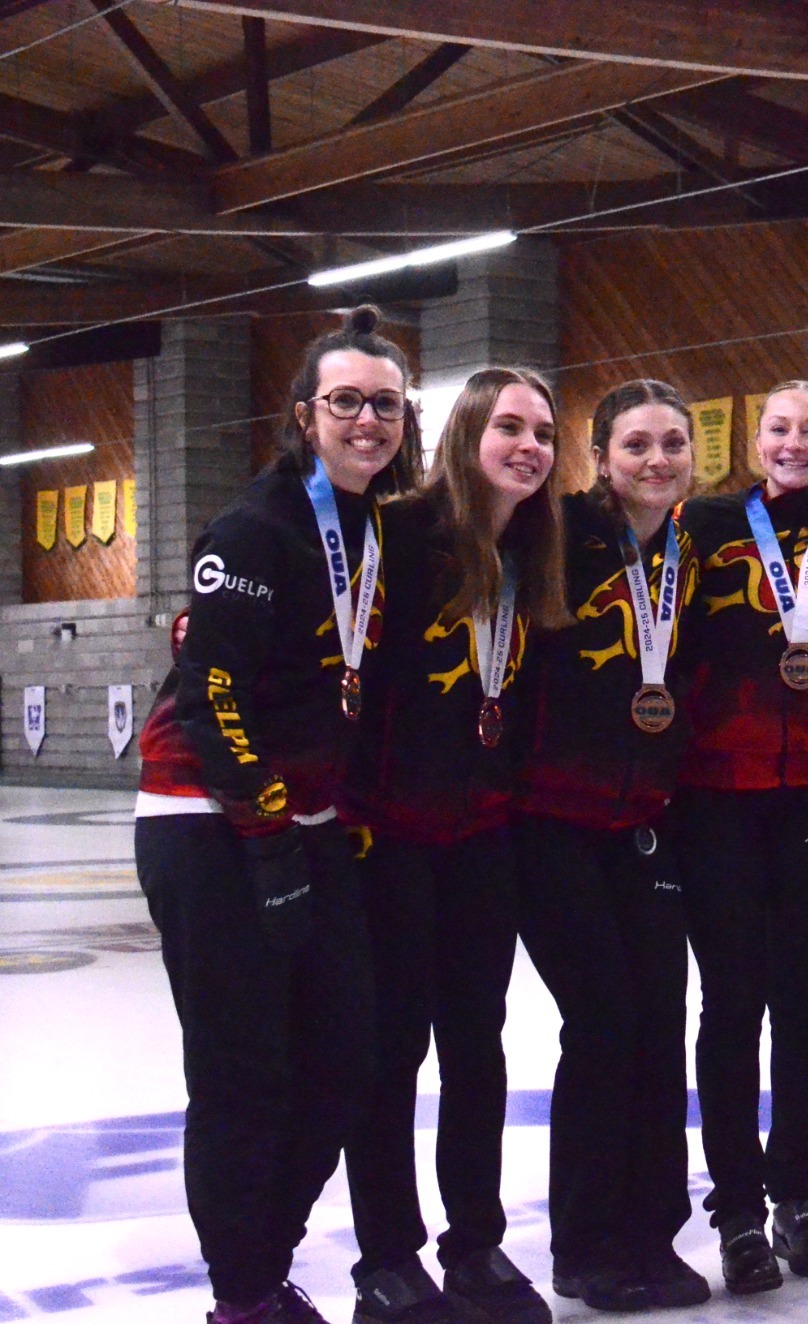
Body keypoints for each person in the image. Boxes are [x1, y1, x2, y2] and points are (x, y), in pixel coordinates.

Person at [134, 305, 418, 1324]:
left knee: (349, 1056)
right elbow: (210, 689)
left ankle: (261, 1254)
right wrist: (263, 837)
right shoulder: (256, 525)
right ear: (307, 415)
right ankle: (245, 1295)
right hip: (205, 821)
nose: (367, 420)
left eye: (384, 404)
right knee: (243, 1071)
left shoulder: (374, 526)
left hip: (305, 824)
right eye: (346, 402)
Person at [339, 368, 570, 1324]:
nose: (529, 446)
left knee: (477, 1048)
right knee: (391, 1053)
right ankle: (386, 1256)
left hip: (483, 840)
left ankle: (475, 1244)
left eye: (544, 432)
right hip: (391, 840)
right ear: (467, 432)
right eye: (508, 426)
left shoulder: (535, 550)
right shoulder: (398, 535)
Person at [673, 382, 808, 1292]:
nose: (795, 443)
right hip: (718, 791)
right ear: (755, 440)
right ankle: (737, 1211)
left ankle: (799, 1192)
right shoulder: (706, 523)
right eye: (780, 429)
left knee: (804, 999)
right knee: (730, 1002)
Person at [511, 380, 710, 1312]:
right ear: (600, 456)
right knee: (602, 1026)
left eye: (674, 443)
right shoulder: (553, 536)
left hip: (647, 825)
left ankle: (652, 1236)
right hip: (552, 825)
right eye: (637, 444)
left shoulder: (694, 545)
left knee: (656, 1028)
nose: (658, 460)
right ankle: (584, 1247)